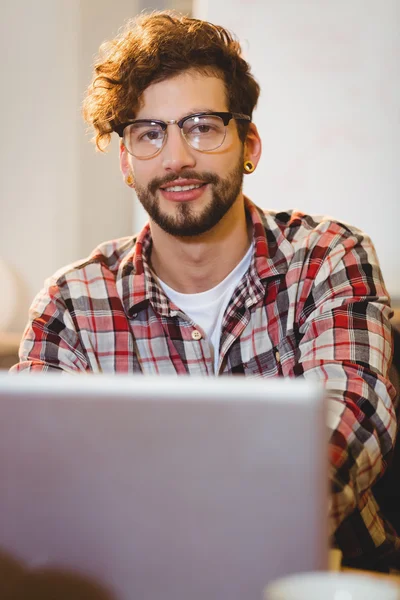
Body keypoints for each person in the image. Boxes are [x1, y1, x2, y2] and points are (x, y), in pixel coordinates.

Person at [11, 11, 399, 570]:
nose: (176, 159)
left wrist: (226, 529)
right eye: (150, 133)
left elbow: (353, 420)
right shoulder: (72, 302)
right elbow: (38, 476)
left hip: (325, 577)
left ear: (250, 144)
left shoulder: (327, 257)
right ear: (126, 160)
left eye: (202, 126)